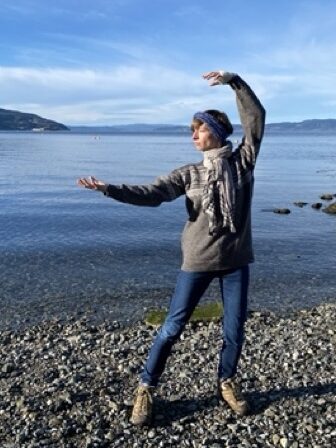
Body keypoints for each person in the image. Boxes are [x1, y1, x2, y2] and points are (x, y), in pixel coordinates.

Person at [77, 70, 266, 425]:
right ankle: (146, 387)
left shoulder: (243, 162)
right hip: (197, 261)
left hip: (237, 261)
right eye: (192, 131)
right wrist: (109, 188)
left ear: (219, 132)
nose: (194, 135)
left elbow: (256, 119)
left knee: (235, 328)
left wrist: (235, 82)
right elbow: (152, 194)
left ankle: (226, 382)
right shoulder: (188, 174)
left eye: (200, 128)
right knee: (172, 328)